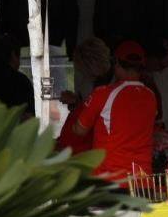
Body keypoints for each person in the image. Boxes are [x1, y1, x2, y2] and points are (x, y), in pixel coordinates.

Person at [68, 40, 158, 183]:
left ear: (116, 64)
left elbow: (79, 130)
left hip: (110, 181)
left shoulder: (102, 94)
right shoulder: (151, 96)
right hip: (142, 181)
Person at [56, 37, 112, 155]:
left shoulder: (111, 83)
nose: (80, 69)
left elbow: (96, 108)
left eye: (81, 65)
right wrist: (76, 101)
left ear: (92, 62)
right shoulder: (90, 78)